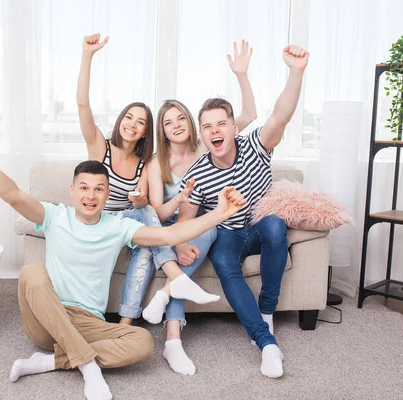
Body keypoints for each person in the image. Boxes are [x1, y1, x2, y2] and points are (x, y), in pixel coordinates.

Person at [0, 123, 246, 400]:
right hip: (47, 319)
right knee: (31, 272)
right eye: (83, 188)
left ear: (107, 194)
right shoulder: (55, 216)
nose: (90, 196)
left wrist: (220, 214)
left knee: (143, 342)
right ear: (72, 191)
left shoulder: (118, 226)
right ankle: (88, 367)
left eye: (98, 189)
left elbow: (171, 234)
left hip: (91, 323)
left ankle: (51, 361)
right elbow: (11, 194)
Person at [176, 45, 310, 379]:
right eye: (207, 126)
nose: (215, 131)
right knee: (223, 262)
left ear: (234, 128)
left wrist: (296, 73)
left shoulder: (255, 145)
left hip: (261, 223)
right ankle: (266, 343)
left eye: (221, 123)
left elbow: (281, 115)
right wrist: (179, 244)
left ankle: (267, 308)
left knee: (277, 226)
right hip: (231, 234)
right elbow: (184, 220)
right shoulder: (198, 173)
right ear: (202, 135)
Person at [76, 33, 220, 325]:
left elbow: (143, 202)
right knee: (146, 213)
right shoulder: (100, 147)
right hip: (104, 221)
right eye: (129, 117)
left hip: (129, 224)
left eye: (140, 121)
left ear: (145, 132)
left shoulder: (145, 163)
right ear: (120, 121)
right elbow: (82, 105)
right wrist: (87, 56)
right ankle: (175, 276)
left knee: (144, 239)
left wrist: (142, 199)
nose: (132, 124)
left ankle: (125, 323)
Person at [133, 40, 257, 376]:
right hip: (168, 230)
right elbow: (157, 214)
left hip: (201, 227)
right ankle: (172, 331)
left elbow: (248, 116)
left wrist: (242, 76)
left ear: (191, 122)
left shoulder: (208, 143)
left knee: (211, 225)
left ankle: (171, 332)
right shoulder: (157, 162)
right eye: (168, 122)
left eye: (179, 118)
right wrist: (181, 199)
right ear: (163, 130)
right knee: (183, 229)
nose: (175, 125)